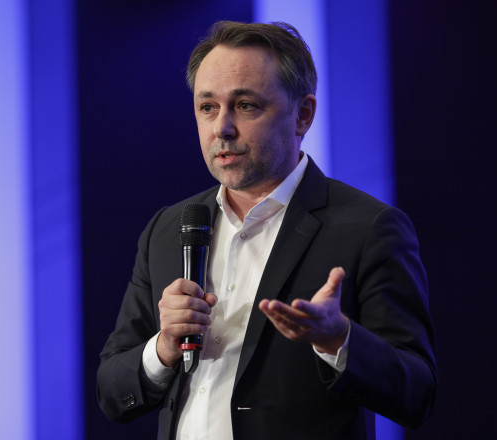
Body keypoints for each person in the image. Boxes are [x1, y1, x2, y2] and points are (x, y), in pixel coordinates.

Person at [96, 21, 436, 439]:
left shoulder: (369, 228)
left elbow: (417, 392)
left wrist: (339, 340)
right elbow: (112, 392)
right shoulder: (168, 228)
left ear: (302, 115)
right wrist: (164, 347)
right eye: (208, 107)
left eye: (245, 106)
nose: (222, 128)